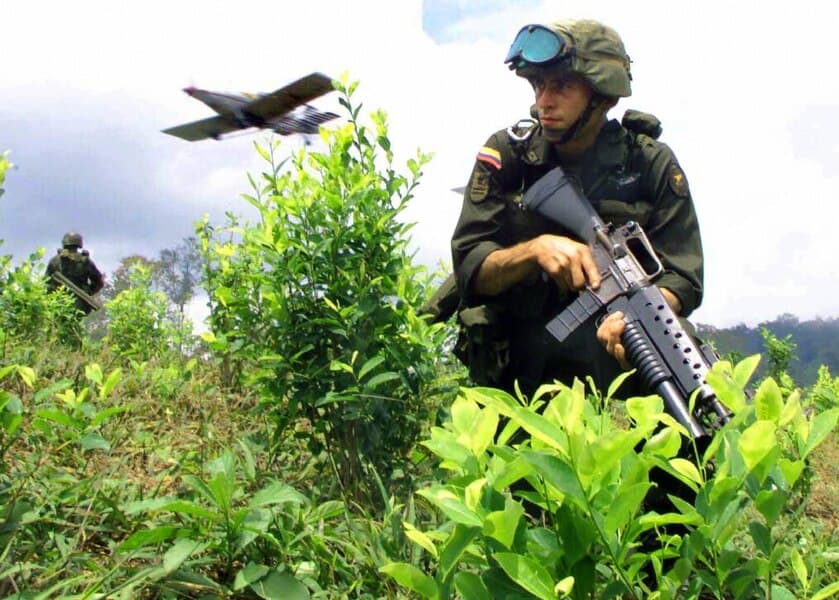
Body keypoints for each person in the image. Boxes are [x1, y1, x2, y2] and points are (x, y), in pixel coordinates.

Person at [451, 19, 704, 397]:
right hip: (517, 375)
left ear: (604, 96)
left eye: (562, 86)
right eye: (538, 85)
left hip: (614, 364)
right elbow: (470, 264)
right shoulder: (509, 156)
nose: (544, 101)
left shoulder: (650, 163)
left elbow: (683, 276)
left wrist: (637, 316)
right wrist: (535, 251)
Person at [46, 231, 105, 315]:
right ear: (79, 244)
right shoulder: (86, 261)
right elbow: (99, 282)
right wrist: (88, 291)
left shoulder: (55, 260)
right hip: (80, 304)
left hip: (59, 303)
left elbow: (46, 282)